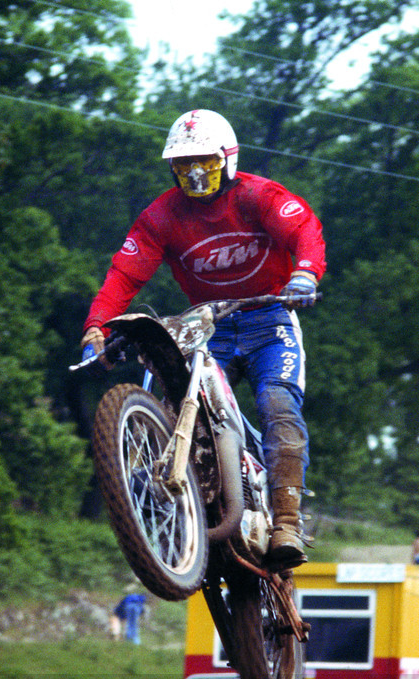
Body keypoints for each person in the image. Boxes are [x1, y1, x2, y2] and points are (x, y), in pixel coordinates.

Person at [81, 109, 326, 567]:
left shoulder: (258, 196)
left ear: (227, 159)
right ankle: (160, 485)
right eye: (183, 166)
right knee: (172, 394)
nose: (195, 175)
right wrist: (96, 326)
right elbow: (125, 273)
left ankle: (288, 521)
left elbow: (304, 228)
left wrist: (306, 274)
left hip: (270, 317)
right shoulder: (161, 216)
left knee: (277, 403)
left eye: (205, 164)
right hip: (208, 325)